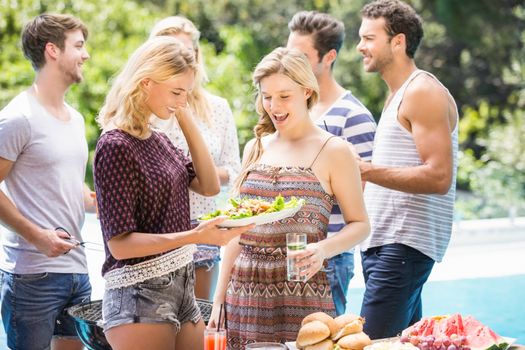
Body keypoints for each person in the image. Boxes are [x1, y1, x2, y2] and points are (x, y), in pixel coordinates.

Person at [93, 36, 252, 350]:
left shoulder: (160, 141)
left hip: (183, 287)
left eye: (187, 94)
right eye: (177, 92)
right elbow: (121, 246)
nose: (183, 100)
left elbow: (209, 185)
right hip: (138, 294)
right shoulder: (115, 146)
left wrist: (185, 115)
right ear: (146, 83)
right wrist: (195, 236)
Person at [208, 47, 370, 348]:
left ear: (307, 91)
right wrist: (218, 300)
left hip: (301, 293)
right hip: (243, 293)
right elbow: (235, 230)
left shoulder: (334, 150)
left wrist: (323, 249)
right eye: (267, 96)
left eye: (284, 96)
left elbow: (360, 224)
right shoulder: (256, 146)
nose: (274, 106)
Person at [356, 0, 459, 339]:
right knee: (402, 345)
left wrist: (367, 171)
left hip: (402, 246)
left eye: (369, 38)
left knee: (370, 344)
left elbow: (439, 176)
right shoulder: (398, 95)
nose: (360, 47)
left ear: (397, 42)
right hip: (385, 244)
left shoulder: (422, 91)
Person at [0, 13, 95, 350]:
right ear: (53, 50)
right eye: (79, 46)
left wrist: (93, 198)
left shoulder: (77, 119)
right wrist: (37, 236)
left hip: (77, 272)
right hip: (31, 276)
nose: (85, 55)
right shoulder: (18, 117)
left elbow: (60, 181)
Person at [287, 11, 377, 316]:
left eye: (301, 56)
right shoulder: (291, 108)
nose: (291, 64)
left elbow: (357, 199)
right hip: (288, 251)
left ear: (329, 57)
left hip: (328, 257)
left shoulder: (354, 117)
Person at [149, 16, 242, 301]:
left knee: (197, 318)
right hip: (156, 229)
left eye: (187, 52)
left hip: (204, 226)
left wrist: (198, 173)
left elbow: (235, 169)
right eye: (170, 51)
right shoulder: (146, 109)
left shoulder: (217, 107)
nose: (180, 59)